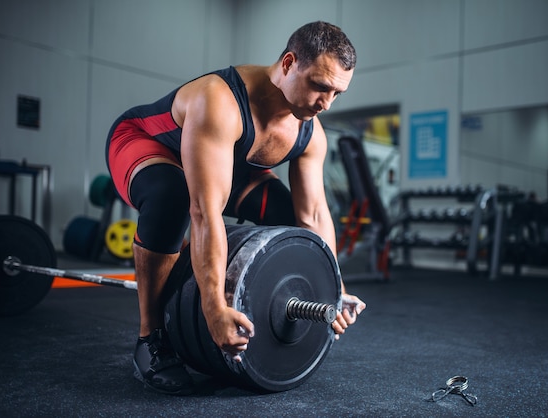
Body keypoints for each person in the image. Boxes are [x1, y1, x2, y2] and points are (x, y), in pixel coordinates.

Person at [105, 21, 366, 395]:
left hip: (227, 160)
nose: (326, 103)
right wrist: (211, 306)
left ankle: (246, 309)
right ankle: (150, 338)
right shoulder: (220, 100)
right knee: (174, 195)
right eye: (319, 86)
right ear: (289, 63)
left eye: (337, 93)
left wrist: (333, 289)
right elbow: (204, 211)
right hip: (147, 143)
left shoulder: (310, 133)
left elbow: (313, 217)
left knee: (288, 217)